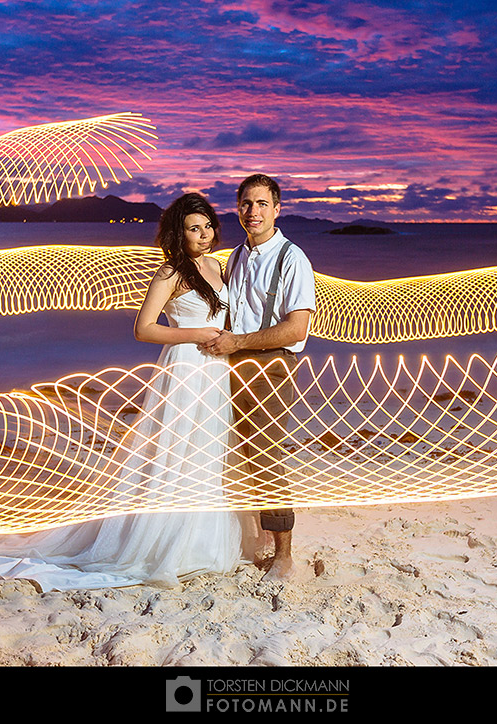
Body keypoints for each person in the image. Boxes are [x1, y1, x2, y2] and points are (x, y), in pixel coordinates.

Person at [0, 193, 255, 591]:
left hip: (216, 370)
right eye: (194, 228)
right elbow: (144, 328)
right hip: (185, 366)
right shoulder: (169, 273)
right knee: (174, 450)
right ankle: (158, 542)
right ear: (179, 234)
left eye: (208, 226)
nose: (204, 234)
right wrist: (197, 334)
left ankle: (201, 543)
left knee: (208, 451)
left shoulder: (218, 266)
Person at [199, 174, 316, 582]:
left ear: (277, 209)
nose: (253, 212)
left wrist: (239, 343)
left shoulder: (292, 258)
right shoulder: (235, 257)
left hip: (271, 364)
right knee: (241, 455)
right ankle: (258, 539)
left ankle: (284, 555)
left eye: (262, 204)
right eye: (246, 204)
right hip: (232, 362)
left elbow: (296, 329)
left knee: (266, 455)